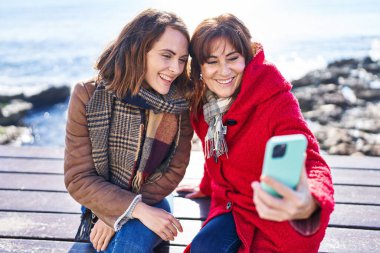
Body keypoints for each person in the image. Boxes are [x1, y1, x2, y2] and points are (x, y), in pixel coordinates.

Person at [178, 13, 334, 253]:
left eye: (233, 58)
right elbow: (215, 155)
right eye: (212, 61)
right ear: (199, 67)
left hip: (278, 215)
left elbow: (313, 161)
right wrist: (206, 187)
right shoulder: (202, 106)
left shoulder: (275, 99)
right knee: (202, 247)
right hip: (232, 207)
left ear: (247, 58)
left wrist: (310, 202)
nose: (224, 71)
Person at [64, 9, 193, 253]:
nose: (175, 68)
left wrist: (121, 213)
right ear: (137, 51)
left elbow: (174, 171)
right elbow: (78, 177)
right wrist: (126, 211)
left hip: (154, 202)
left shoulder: (179, 103)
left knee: (129, 247)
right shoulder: (88, 95)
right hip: (98, 207)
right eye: (166, 55)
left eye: (182, 59)